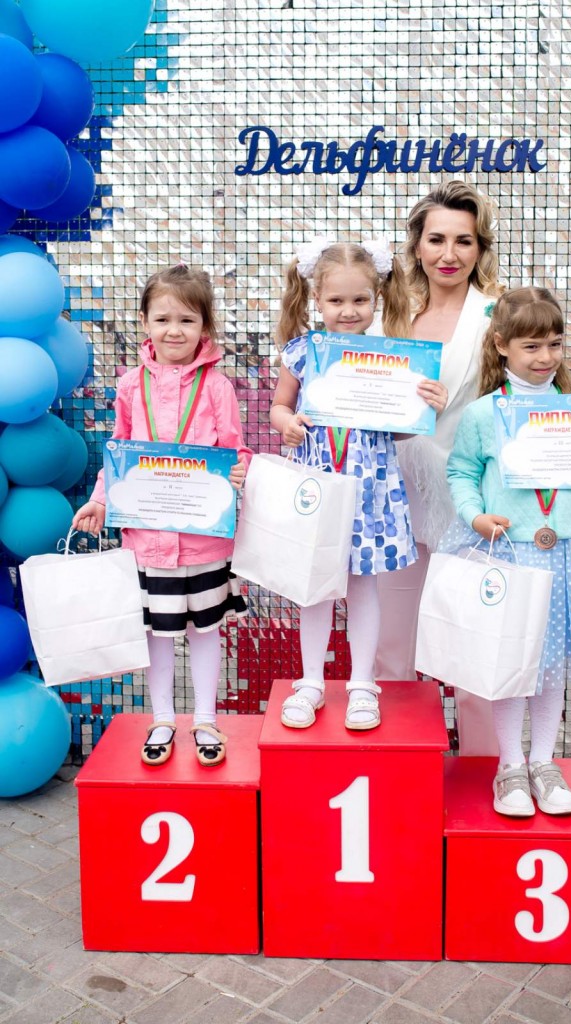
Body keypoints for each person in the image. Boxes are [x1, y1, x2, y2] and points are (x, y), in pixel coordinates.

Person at [443, 286, 571, 815]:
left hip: (569, 553)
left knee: (551, 661)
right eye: (532, 346)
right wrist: (474, 515)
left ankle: (543, 762)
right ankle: (510, 766)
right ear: (502, 345)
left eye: (554, 344)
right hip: (511, 552)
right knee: (514, 660)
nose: (545, 357)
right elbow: (461, 471)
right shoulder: (484, 415)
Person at [72, 265, 252, 767]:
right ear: (145, 323)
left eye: (187, 320)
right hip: (147, 538)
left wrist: (240, 471)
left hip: (204, 539)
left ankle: (206, 719)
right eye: (163, 319)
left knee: (205, 629)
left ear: (205, 327)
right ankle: (163, 718)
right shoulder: (130, 386)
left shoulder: (218, 386)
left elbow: (236, 448)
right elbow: (119, 451)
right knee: (155, 632)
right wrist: (101, 499)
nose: (175, 330)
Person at [271, 239, 442, 730]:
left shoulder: (393, 360)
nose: (348, 311)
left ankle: (363, 684)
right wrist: (287, 424)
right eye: (336, 300)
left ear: (377, 298)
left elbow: (401, 432)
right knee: (315, 590)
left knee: (365, 589)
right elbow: (279, 406)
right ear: (316, 300)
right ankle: (310, 682)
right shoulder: (301, 353)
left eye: (360, 300)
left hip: (372, 493)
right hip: (317, 491)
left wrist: (427, 408)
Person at [375, 179, 502, 754]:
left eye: (463, 241)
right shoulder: (387, 314)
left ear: (480, 249)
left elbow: (519, 405)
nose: (449, 254)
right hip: (392, 494)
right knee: (390, 645)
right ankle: (395, 770)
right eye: (437, 240)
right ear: (417, 245)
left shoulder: (497, 317)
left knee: (473, 646)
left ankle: (483, 767)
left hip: (468, 501)